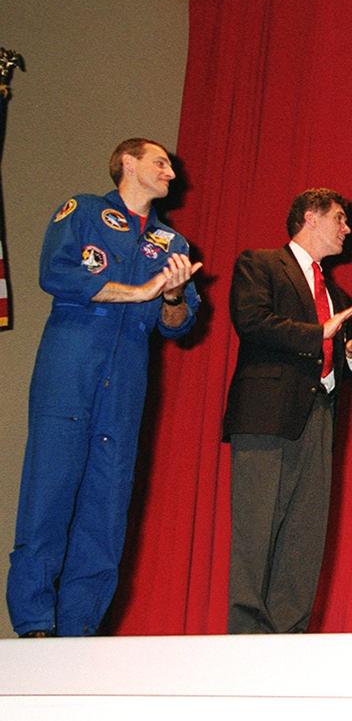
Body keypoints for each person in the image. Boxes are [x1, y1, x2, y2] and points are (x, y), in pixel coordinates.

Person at [7, 138, 202, 637]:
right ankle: (34, 622)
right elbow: (55, 272)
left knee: (107, 510)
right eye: (161, 163)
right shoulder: (84, 211)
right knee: (48, 494)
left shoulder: (172, 244)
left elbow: (177, 325)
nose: (170, 174)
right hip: (70, 371)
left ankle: (79, 631)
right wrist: (136, 292)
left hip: (127, 383)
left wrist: (174, 294)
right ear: (128, 164)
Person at [222, 188, 352, 633]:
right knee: (256, 531)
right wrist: (320, 332)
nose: (348, 230)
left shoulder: (336, 292)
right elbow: (252, 322)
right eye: (340, 219)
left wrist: (351, 352)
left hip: (320, 414)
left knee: (305, 536)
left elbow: (340, 360)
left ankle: (290, 637)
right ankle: (246, 639)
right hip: (266, 415)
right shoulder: (260, 263)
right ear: (310, 218)